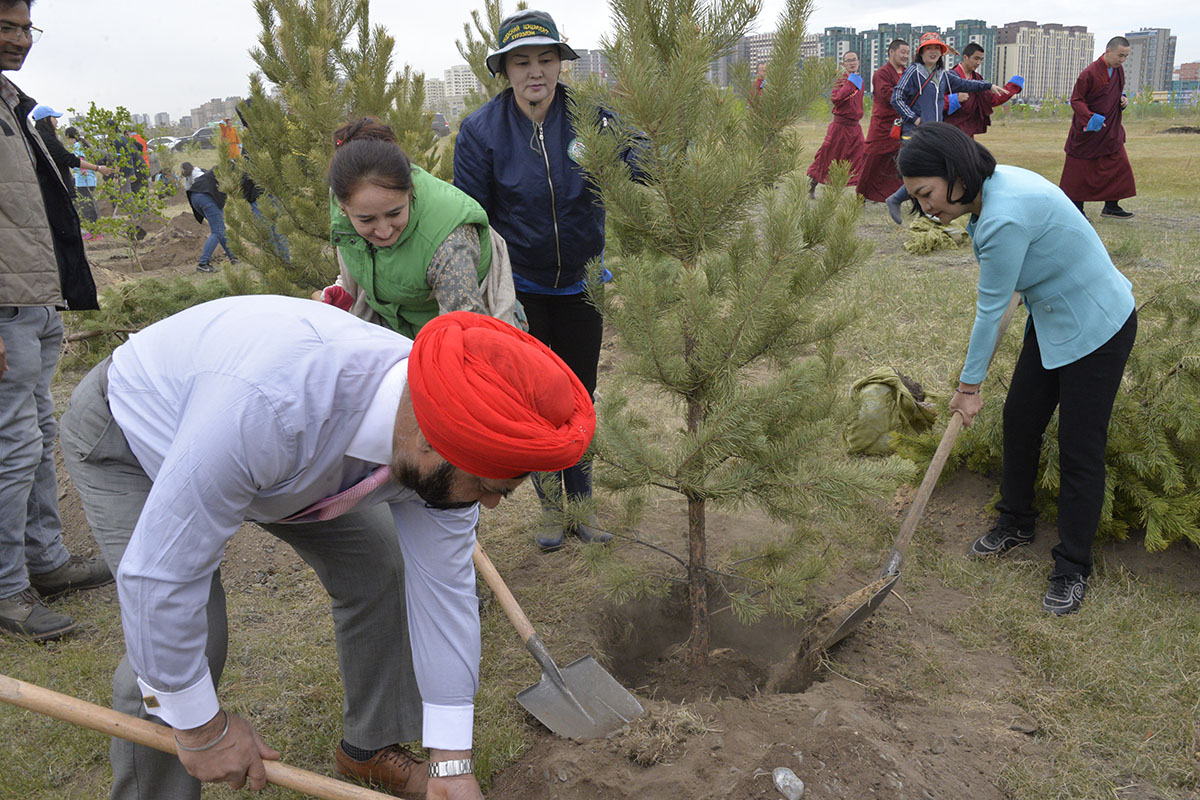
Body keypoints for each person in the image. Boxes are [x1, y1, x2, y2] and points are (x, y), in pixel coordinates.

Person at [60, 298, 595, 800]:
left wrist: (451, 763)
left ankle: (370, 744)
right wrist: (201, 729)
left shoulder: (438, 426)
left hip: (284, 466)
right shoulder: (270, 407)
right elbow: (159, 578)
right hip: (134, 434)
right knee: (187, 637)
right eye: (487, 487)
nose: (493, 505)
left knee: (381, 568)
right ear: (431, 441)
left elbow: (445, 590)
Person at [896, 123, 1136, 615]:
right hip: (1051, 316)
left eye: (927, 194)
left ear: (954, 173)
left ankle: (1072, 567)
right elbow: (1007, 294)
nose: (926, 209)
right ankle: (1016, 523)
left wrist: (968, 387)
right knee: (1021, 421)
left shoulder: (1003, 214)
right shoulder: (990, 191)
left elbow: (989, 309)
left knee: (1079, 446)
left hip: (1098, 325)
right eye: (916, 199)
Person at [454, 9, 643, 551]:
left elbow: (642, 163)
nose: (535, 72)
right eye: (521, 62)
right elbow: (470, 218)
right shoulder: (481, 132)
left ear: (561, 63)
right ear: (505, 70)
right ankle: (550, 508)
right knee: (534, 398)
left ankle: (582, 505)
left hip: (584, 283)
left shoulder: (592, 119)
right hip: (522, 290)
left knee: (580, 394)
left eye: (545, 59)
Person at [0, 0, 113, 642]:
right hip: (5, 307)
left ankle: (45, 562)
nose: (21, 40)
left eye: (26, 28)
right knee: (10, 448)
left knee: (36, 435)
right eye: (6, 28)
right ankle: (7, 587)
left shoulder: (16, 106)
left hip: (34, 299)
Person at [316, 117, 522, 336]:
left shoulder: (449, 243)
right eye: (366, 220)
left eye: (394, 213)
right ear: (342, 205)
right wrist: (342, 291)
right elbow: (359, 259)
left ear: (411, 192)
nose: (384, 231)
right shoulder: (346, 199)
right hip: (399, 333)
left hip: (457, 336)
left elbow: (467, 337)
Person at [885, 32, 1002, 223]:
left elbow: (965, 83)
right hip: (914, 132)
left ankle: (921, 212)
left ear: (941, 52)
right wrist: (913, 118)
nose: (933, 52)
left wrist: (988, 86)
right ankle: (898, 200)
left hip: (933, 133)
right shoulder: (913, 72)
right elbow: (896, 97)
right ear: (921, 52)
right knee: (921, 171)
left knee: (932, 171)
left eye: (936, 49)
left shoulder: (943, 76)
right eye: (928, 48)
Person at [1059, 36, 1136, 219]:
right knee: (1079, 171)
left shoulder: (1118, 70)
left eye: (1125, 56)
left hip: (1110, 129)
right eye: (1120, 55)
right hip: (1089, 130)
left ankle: (1111, 206)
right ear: (1108, 51)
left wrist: (1122, 99)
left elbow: (1116, 91)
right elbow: (1076, 100)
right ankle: (1077, 209)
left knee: (1118, 165)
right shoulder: (1090, 72)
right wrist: (1090, 118)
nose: (1122, 60)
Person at [856, 39, 910, 204]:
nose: (905, 56)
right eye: (902, 52)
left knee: (899, 161)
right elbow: (886, 95)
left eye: (908, 53)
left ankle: (897, 197)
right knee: (873, 159)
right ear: (891, 52)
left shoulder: (907, 73)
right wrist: (908, 93)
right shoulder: (881, 73)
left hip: (902, 125)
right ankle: (861, 195)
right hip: (883, 125)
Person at [805, 51, 866, 197]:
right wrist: (850, 83)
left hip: (855, 127)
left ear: (859, 62)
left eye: (854, 60)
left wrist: (854, 81)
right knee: (827, 156)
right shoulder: (841, 80)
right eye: (848, 60)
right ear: (843, 64)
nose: (852, 63)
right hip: (840, 126)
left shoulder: (860, 81)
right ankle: (813, 184)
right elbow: (836, 99)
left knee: (861, 158)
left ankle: (862, 196)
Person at [943, 43, 1023, 139]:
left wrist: (1013, 86)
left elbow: (991, 100)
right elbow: (936, 102)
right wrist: (954, 99)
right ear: (965, 57)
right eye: (976, 58)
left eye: (981, 60)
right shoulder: (950, 77)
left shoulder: (978, 79)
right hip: (948, 132)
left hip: (968, 132)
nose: (978, 63)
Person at [180, 161, 237, 273]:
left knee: (220, 230)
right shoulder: (225, 173)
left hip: (196, 198)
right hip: (206, 198)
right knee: (218, 231)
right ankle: (203, 263)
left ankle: (234, 258)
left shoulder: (215, 171)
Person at [64, 125, 102, 229]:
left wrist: (83, 170)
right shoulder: (83, 144)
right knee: (90, 204)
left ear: (69, 137)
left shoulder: (77, 146)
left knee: (87, 206)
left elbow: (80, 159)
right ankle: (95, 229)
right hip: (90, 179)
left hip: (84, 180)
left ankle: (94, 231)